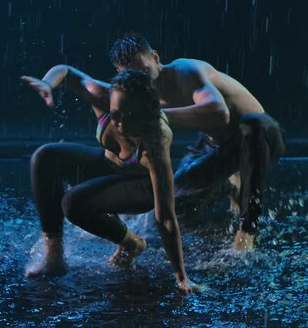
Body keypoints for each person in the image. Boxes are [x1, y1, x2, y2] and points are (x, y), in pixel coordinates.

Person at [21, 69, 201, 293]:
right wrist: (48, 83)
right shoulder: (100, 94)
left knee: (72, 202)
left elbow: (165, 216)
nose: (121, 125)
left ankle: (131, 244)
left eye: (130, 116)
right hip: (108, 166)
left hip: (140, 188)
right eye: (115, 115)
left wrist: (181, 277)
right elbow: (66, 71)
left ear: (147, 112)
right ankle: (54, 256)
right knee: (45, 157)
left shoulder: (155, 138)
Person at [108, 34, 285, 252]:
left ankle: (247, 230)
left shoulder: (184, 71)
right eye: (134, 75)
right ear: (120, 74)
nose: (144, 79)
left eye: (145, 70)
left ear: (155, 57)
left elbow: (220, 112)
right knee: (174, 196)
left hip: (262, 137)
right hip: (217, 148)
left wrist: (156, 115)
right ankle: (229, 182)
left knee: (253, 124)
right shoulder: (136, 92)